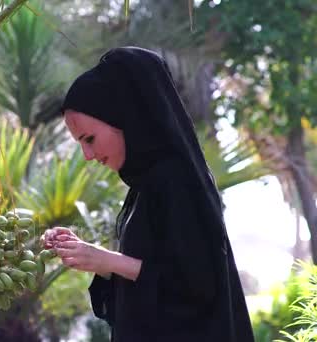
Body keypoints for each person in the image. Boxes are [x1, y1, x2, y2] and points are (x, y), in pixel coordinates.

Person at [41, 47, 255, 341]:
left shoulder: (176, 179)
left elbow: (197, 288)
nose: (88, 155)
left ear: (124, 118)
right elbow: (150, 286)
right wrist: (89, 257)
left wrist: (109, 260)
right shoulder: (146, 187)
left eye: (89, 139)